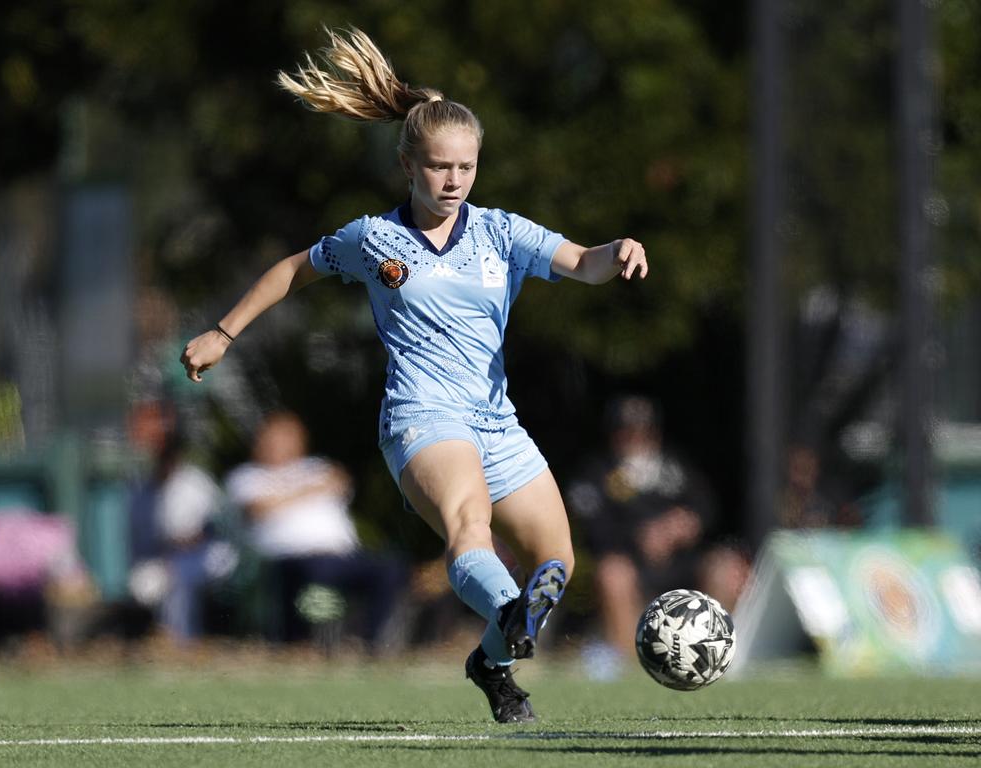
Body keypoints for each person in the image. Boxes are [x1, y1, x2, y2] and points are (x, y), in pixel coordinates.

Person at [180, 26, 648, 723]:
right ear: (407, 165)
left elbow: (583, 262)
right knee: (470, 525)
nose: (453, 180)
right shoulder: (375, 240)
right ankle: (506, 612)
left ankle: (491, 662)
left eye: (465, 166)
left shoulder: (501, 232)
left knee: (557, 562)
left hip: (497, 421)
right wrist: (224, 332)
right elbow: (293, 271)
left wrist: (622, 248)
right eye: (437, 167)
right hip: (423, 419)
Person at [566, 395, 747, 676]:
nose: (636, 439)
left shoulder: (677, 466)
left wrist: (686, 523)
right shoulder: (596, 473)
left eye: (643, 431)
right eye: (627, 432)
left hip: (683, 564)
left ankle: (720, 656)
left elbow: (707, 507)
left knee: (728, 567)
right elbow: (593, 528)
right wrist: (640, 536)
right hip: (633, 566)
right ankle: (636, 667)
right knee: (613, 573)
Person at [225, 410, 406, 651]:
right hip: (290, 557)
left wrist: (288, 495)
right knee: (315, 572)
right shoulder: (247, 477)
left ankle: (370, 642)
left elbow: (339, 481)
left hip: (342, 554)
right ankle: (301, 644)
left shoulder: (315, 466)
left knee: (390, 567)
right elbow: (257, 508)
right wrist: (308, 491)